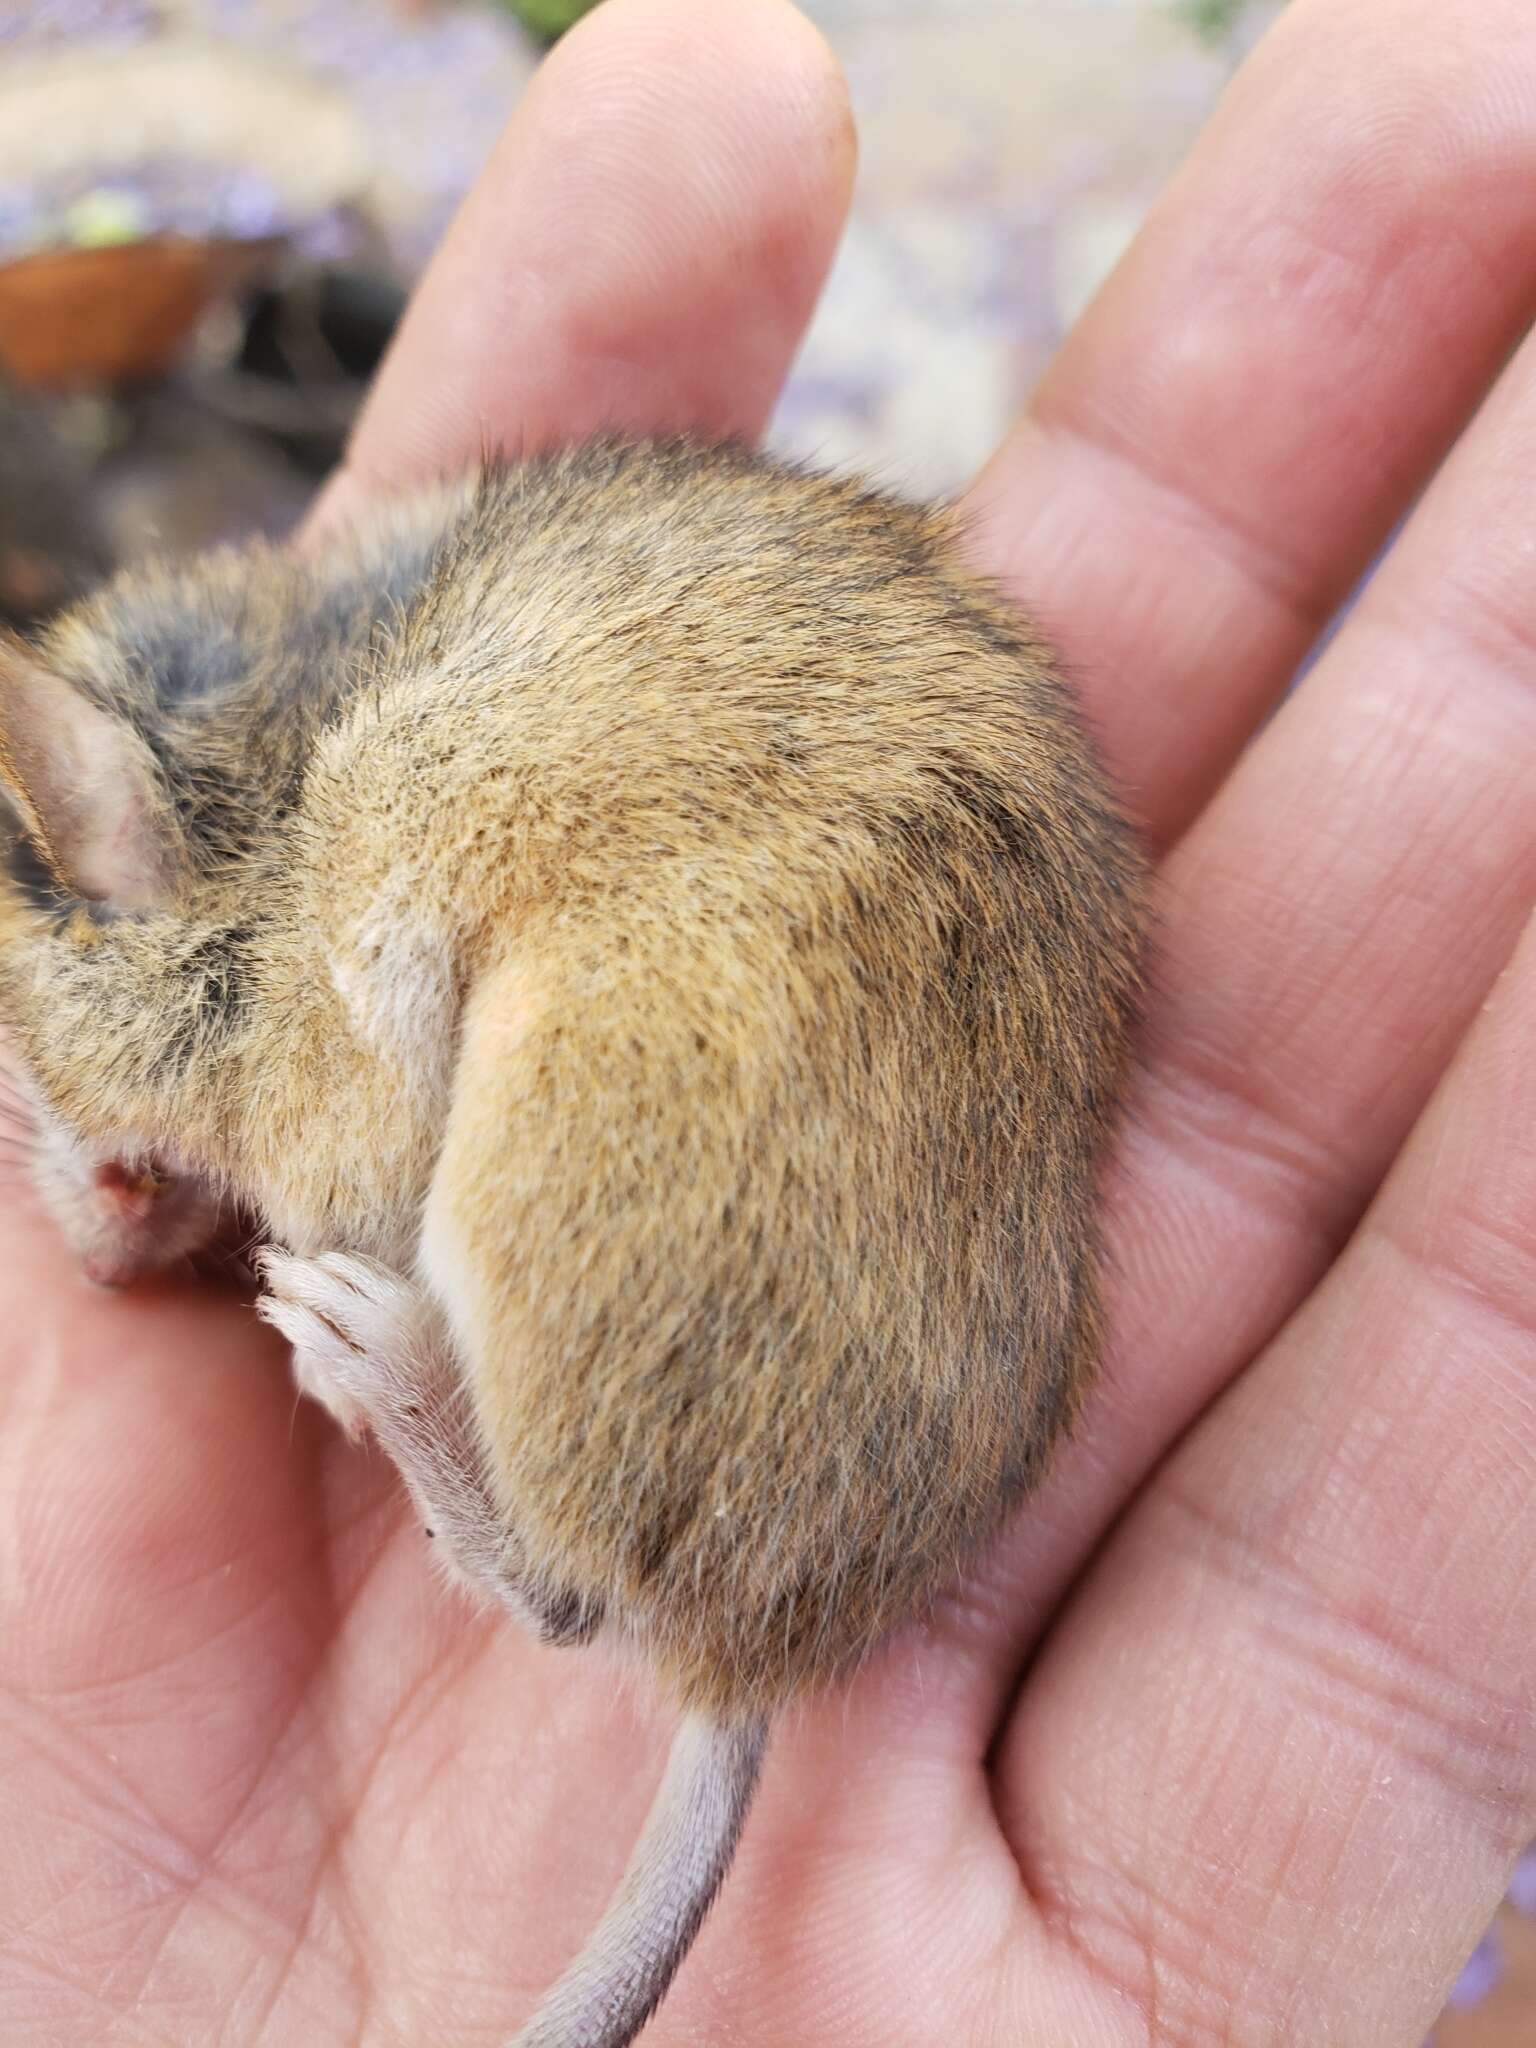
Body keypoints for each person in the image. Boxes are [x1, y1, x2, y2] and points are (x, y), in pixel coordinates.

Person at [4, 0, 1535, 2038]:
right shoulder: (395, 706)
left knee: (494, 1108)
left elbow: (350, 1149)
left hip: (719, 1291)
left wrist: (417, 1395)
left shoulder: (315, 871)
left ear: (116, 861)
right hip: (847, 1312)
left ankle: (531, 1507)